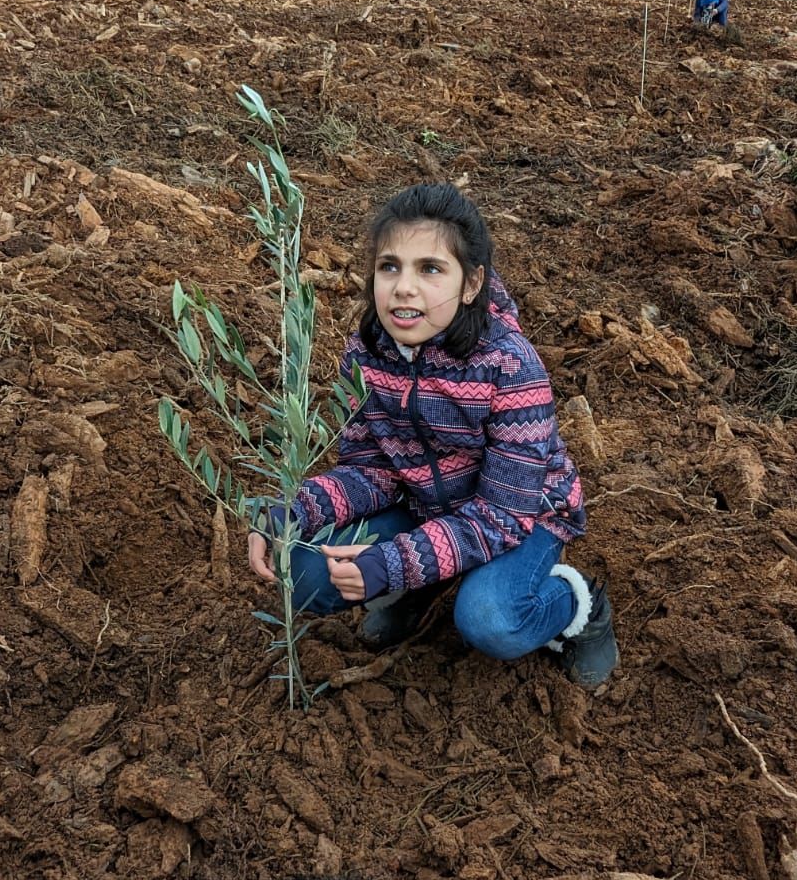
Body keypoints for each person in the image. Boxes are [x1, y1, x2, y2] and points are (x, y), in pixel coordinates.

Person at [248, 183, 619, 691]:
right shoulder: (366, 355)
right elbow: (369, 469)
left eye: (430, 269)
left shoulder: (510, 366)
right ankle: (425, 585)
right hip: (426, 506)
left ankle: (581, 607)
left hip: (522, 518)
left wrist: (392, 564)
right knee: (305, 574)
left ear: (471, 285)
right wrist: (289, 514)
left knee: (491, 620)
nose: (404, 287)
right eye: (389, 266)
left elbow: (503, 516)